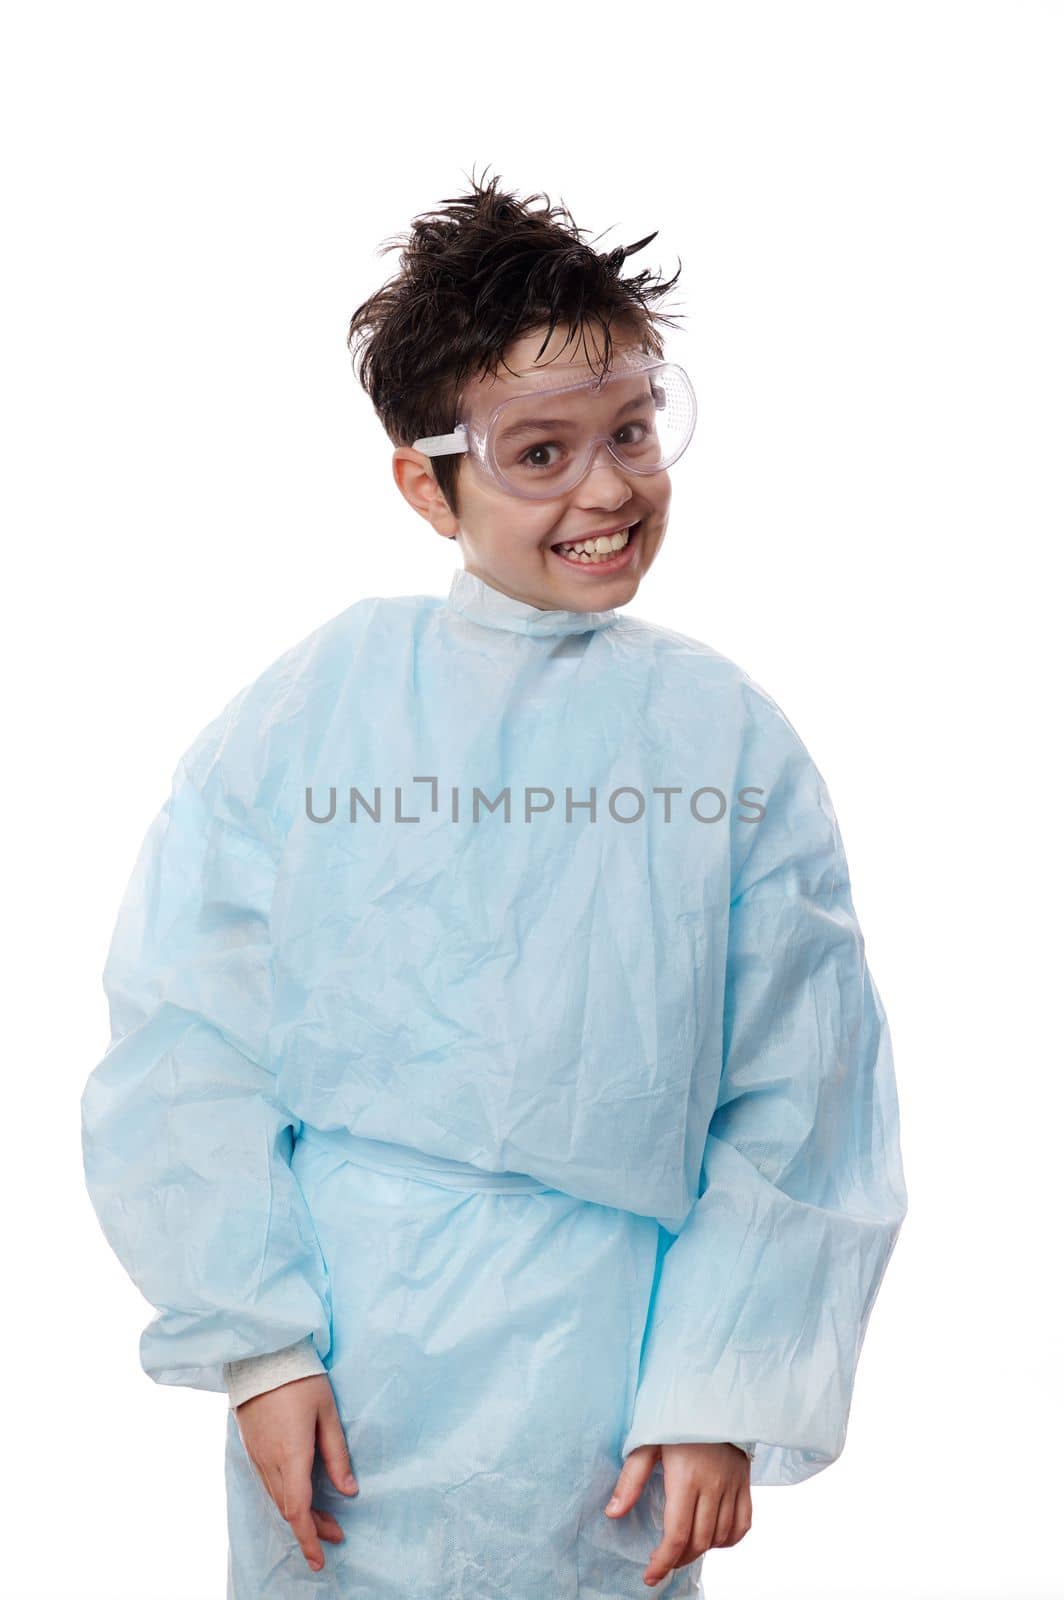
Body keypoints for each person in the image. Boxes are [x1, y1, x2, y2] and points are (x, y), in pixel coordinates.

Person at [80, 170, 907, 1599]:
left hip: (605, 1387)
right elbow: (188, 1032)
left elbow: (802, 1089)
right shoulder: (326, 705)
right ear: (428, 479)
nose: (607, 489)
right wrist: (259, 1346)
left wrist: (718, 1385)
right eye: (540, 453)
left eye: (634, 433)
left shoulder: (726, 743)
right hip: (346, 1373)